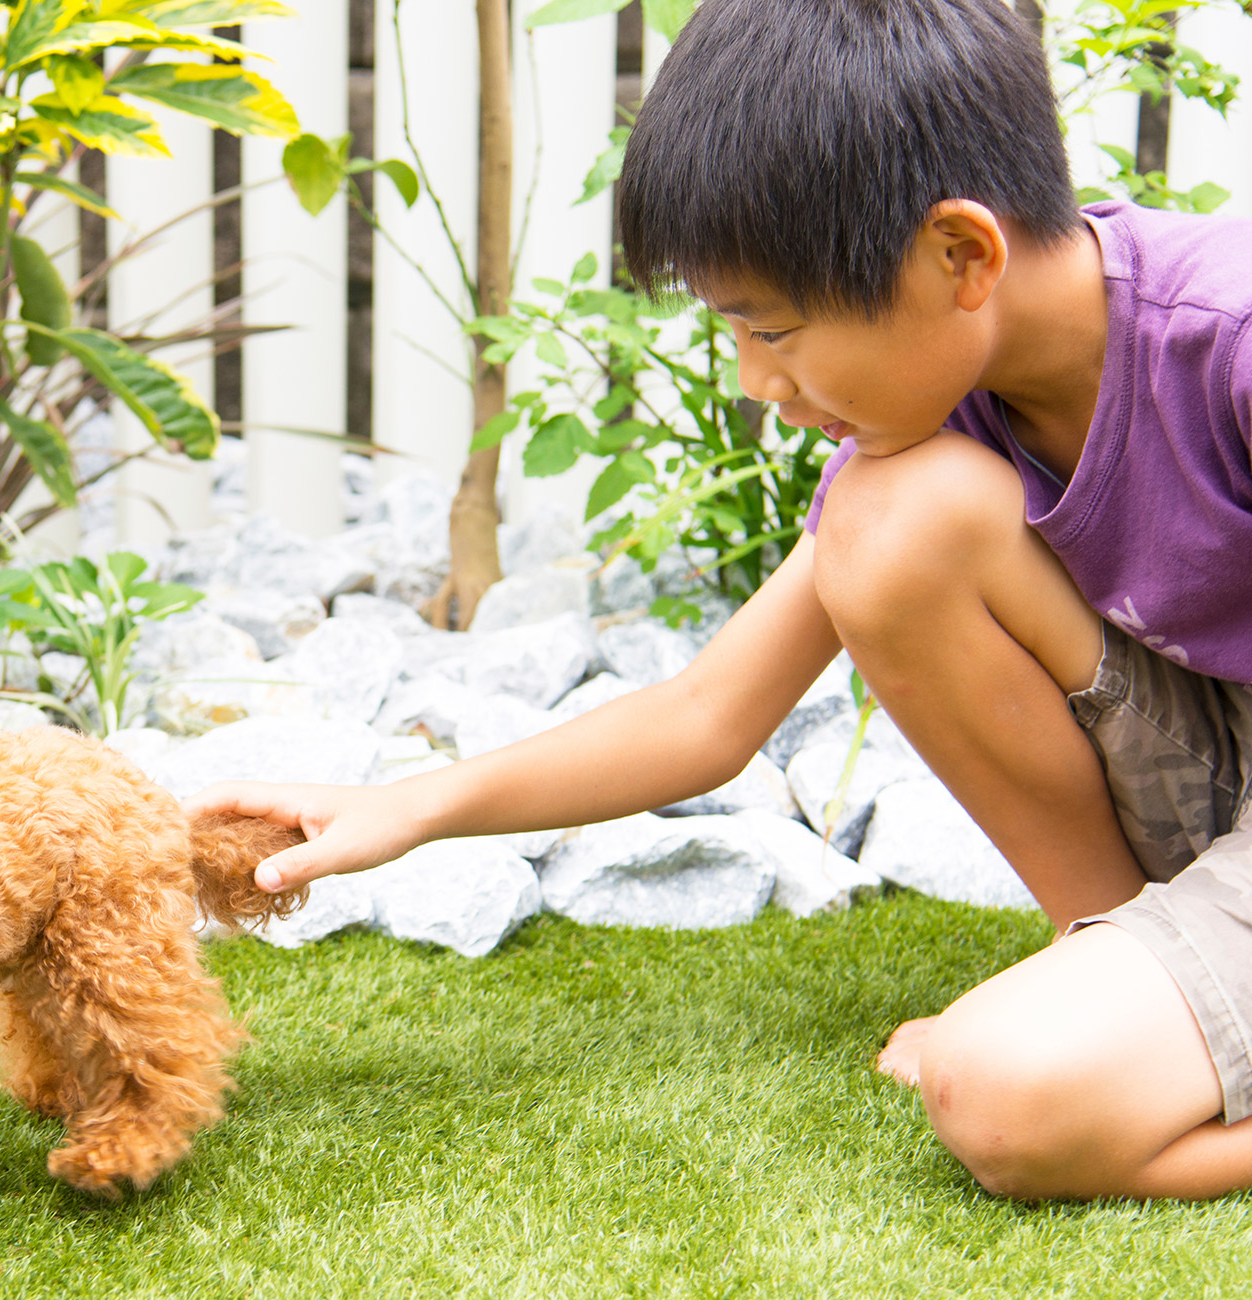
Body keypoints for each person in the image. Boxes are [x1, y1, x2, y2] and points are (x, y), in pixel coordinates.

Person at [186, 0, 1252, 1201]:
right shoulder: (947, 406)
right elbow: (707, 713)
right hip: (1213, 767)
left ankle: (1130, 1034)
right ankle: (1102, 950)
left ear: (962, 255)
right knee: (888, 527)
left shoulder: (1230, 339)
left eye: (773, 327)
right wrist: (408, 808)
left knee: (1003, 1096)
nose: (760, 383)